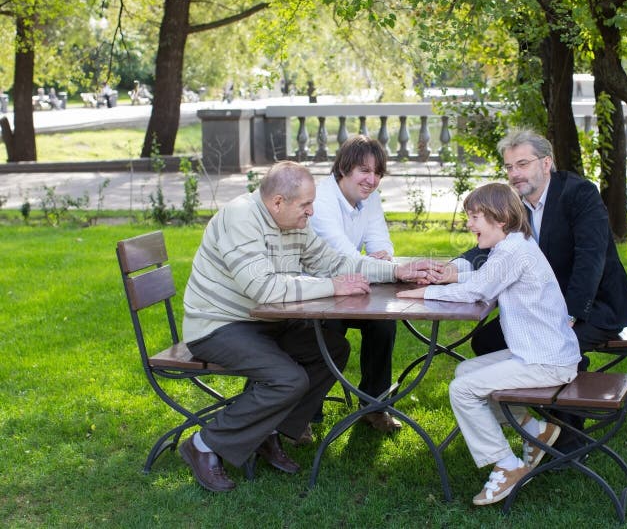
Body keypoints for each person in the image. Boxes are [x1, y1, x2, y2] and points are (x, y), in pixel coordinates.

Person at [179, 161, 441, 492]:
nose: (311, 212)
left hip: (264, 322)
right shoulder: (241, 219)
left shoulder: (294, 223)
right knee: (287, 379)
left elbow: (335, 262)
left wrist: (394, 272)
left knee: (332, 349)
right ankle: (204, 444)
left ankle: (267, 433)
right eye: (305, 205)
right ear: (277, 202)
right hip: (219, 325)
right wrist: (334, 286)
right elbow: (265, 289)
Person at [441, 129, 627, 455]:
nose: (515, 174)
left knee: (557, 347)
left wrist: (572, 313)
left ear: (546, 163)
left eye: (522, 164)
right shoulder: (516, 204)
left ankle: (567, 443)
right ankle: (537, 425)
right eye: (508, 167)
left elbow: (592, 258)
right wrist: (454, 267)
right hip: (547, 307)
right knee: (486, 341)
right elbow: (492, 248)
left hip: (594, 306)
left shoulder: (579, 194)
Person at [397, 182, 581, 506]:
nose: (469, 224)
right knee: (466, 371)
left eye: (475, 217)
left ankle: (507, 465)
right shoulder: (514, 246)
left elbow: (476, 292)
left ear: (500, 218)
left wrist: (423, 293)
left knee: (463, 389)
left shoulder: (513, 251)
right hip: (542, 353)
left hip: (546, 361)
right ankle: (533, 430)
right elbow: (485, 280)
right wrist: (446, 279)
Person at [309, 135, 401, 433]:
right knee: (329, 330)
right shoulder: (321, 200)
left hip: (347, 288)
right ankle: (308, 414)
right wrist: (382, 267)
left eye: (377, 173)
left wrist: (382, 258)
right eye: (364, 170)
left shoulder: (368, 196)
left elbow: (380, 242)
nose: (372, 180)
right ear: (344, 168)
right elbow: (345, 259)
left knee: (383, 323)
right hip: (311, 294)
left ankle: (374, 407)